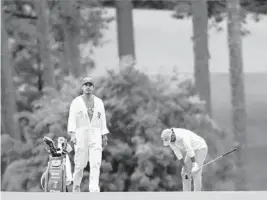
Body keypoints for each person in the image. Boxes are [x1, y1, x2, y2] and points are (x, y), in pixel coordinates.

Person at [67, 76, 109, 192]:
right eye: (86, 85)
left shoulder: (99, 102)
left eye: (90, 85)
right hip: (81, 133)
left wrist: (104, 135)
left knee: (96, 162)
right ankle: (76, 185)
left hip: (95, 133)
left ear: (93, 87)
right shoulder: (76, 102)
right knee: (80, 163)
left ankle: (94, 188)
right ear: (82, 87)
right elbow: (72, 119)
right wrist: (73, 134)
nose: (88, 87)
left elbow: (102, 120)